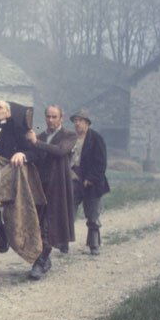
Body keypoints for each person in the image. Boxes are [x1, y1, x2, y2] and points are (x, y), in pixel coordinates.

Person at [26, 105, 76, 278]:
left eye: (54, 117)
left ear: (62, 118)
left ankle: (40, 263)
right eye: (48, 116)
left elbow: (60, 150)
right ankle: (44, 260)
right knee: (38, 224)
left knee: (49, 224)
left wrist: (36, 143)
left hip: (58, 186)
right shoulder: (40, 136)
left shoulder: (68, 135)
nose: (50, 120)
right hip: (40, 186)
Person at [0, 100, 35, 253]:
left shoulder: (16, 130)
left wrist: (22, 153)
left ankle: (9, 232)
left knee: (6, 200)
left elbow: (33, 152)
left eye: (0, 107)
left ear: (8, 113)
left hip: (7, 171)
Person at [70, 108, 110, 255]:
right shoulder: (71, 138)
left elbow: (101, 163)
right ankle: (63, 243)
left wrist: (90, 179)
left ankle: (94, 245)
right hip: (73, 178)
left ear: (87, 123)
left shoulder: (96, 138)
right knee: (68, 211)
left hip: (92, 181)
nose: (77, 124)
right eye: (75, 121)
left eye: (80, 121)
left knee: (93, 214)